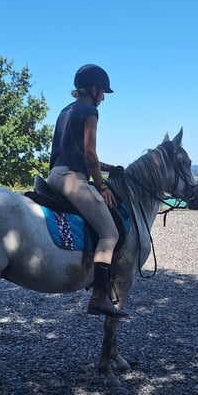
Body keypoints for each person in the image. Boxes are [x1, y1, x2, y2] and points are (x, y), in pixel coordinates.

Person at [47, 64, 128, 318]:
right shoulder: (90, 111)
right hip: (72, 178)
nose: (103, 97)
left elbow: (82, 154)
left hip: (54, 175)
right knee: (110, 233)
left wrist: (109, 167)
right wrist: (102, 186)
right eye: (102, 92)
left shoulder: (66, 111)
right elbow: (89, 153)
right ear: (93, 90)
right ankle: (99, 297)